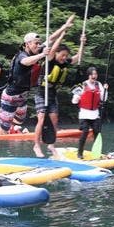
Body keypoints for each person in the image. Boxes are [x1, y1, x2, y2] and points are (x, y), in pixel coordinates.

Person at [0, 15, 76, 144]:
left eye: (39, 43)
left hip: (23, 96)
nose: (38, 45)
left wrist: (64, 27)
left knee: (19, 121)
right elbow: (26, 62)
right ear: (27, 44)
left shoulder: (35, 50)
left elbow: (51, 38)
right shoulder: (22, 55)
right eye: (36, 43)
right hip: (11, 96)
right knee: (5, 129)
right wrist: (43, 54)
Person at [34, 22, 85, 158]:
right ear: (56, 54)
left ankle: (51, 145)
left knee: (54, 120)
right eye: (62, 55)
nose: (64, 58)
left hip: (52, 94)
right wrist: (62, 34)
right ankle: (37, 145)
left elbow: (77, 58)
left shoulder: (64, 62)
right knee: (41, 119)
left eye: (65, 56)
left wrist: (82, 43)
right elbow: (52, 49)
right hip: (41, 93)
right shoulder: (50, 60)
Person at [72, 66, 108, 159]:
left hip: (95, 113)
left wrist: (105, 90)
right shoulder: (83, 85)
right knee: (85, 132)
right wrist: (77, 97)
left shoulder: (99, 84)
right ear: (89, 75)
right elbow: (74, 101)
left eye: (95, 74)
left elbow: (103, 99)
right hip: (84, 114)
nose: (94, 76)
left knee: (97, 132)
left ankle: (97, 152)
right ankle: (80, 153)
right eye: (92, 74)